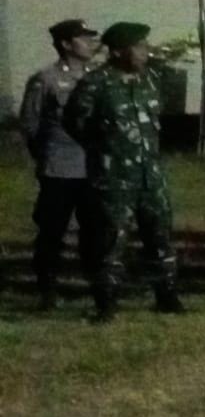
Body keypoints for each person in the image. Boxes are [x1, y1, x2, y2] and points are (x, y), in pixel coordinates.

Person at [63, 22, 183, 322]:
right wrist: (106, 149)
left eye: (145, 45)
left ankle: (167, 297)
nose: (145, 51)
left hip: (151, 177)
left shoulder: (150, 79)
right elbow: (75, 123)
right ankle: (106, 304)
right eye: (138, 46)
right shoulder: (96, 84)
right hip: (114, 179)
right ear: (117, 51)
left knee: (160, 237)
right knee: (111, 241)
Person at [18, 19, 97, 309]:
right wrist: (45, 157)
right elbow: (30, 124)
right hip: (59, 168)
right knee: (53, 230)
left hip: (92, 167)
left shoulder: (96, 78)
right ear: (65, 44)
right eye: (83, 38)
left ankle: (96, 283)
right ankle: (47, 288)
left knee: (94, 229)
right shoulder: (45, 79)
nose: (90, 43)